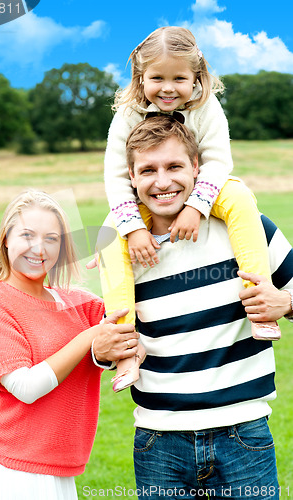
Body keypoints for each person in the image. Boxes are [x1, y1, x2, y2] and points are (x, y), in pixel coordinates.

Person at [99, 115, 293, 499]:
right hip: (158, 442)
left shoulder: (248, 228)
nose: (162, 181)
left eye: (174, 166)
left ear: (197, 169)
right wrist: (103, 353)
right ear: (131, 179)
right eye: (148, 170)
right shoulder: (120, 249)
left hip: (244, 434)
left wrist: (285, 302)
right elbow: (107, 338)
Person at [101, 26, 280, 392]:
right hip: (141, 203)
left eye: (179, 78)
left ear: (197, 78)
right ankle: (125, 348)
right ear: (140, 77)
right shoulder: (127, 115)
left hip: (207, 188)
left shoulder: (206, 106)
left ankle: (258, 300)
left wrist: (196, 208)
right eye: (157, 78)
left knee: (241, 197)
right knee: (108, 238)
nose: (168, 88)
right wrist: (133, 229)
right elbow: (117, 178)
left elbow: (217, 162)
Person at [0, 190, 138, 500]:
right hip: (6, 473)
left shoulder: (81, 305)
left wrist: (118, 260)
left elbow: (134, 321)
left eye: (52, 239)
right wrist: (89, 337)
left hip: (60, 473)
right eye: (27, 235)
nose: (38, 248)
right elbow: (25, 386)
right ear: (6, 238)